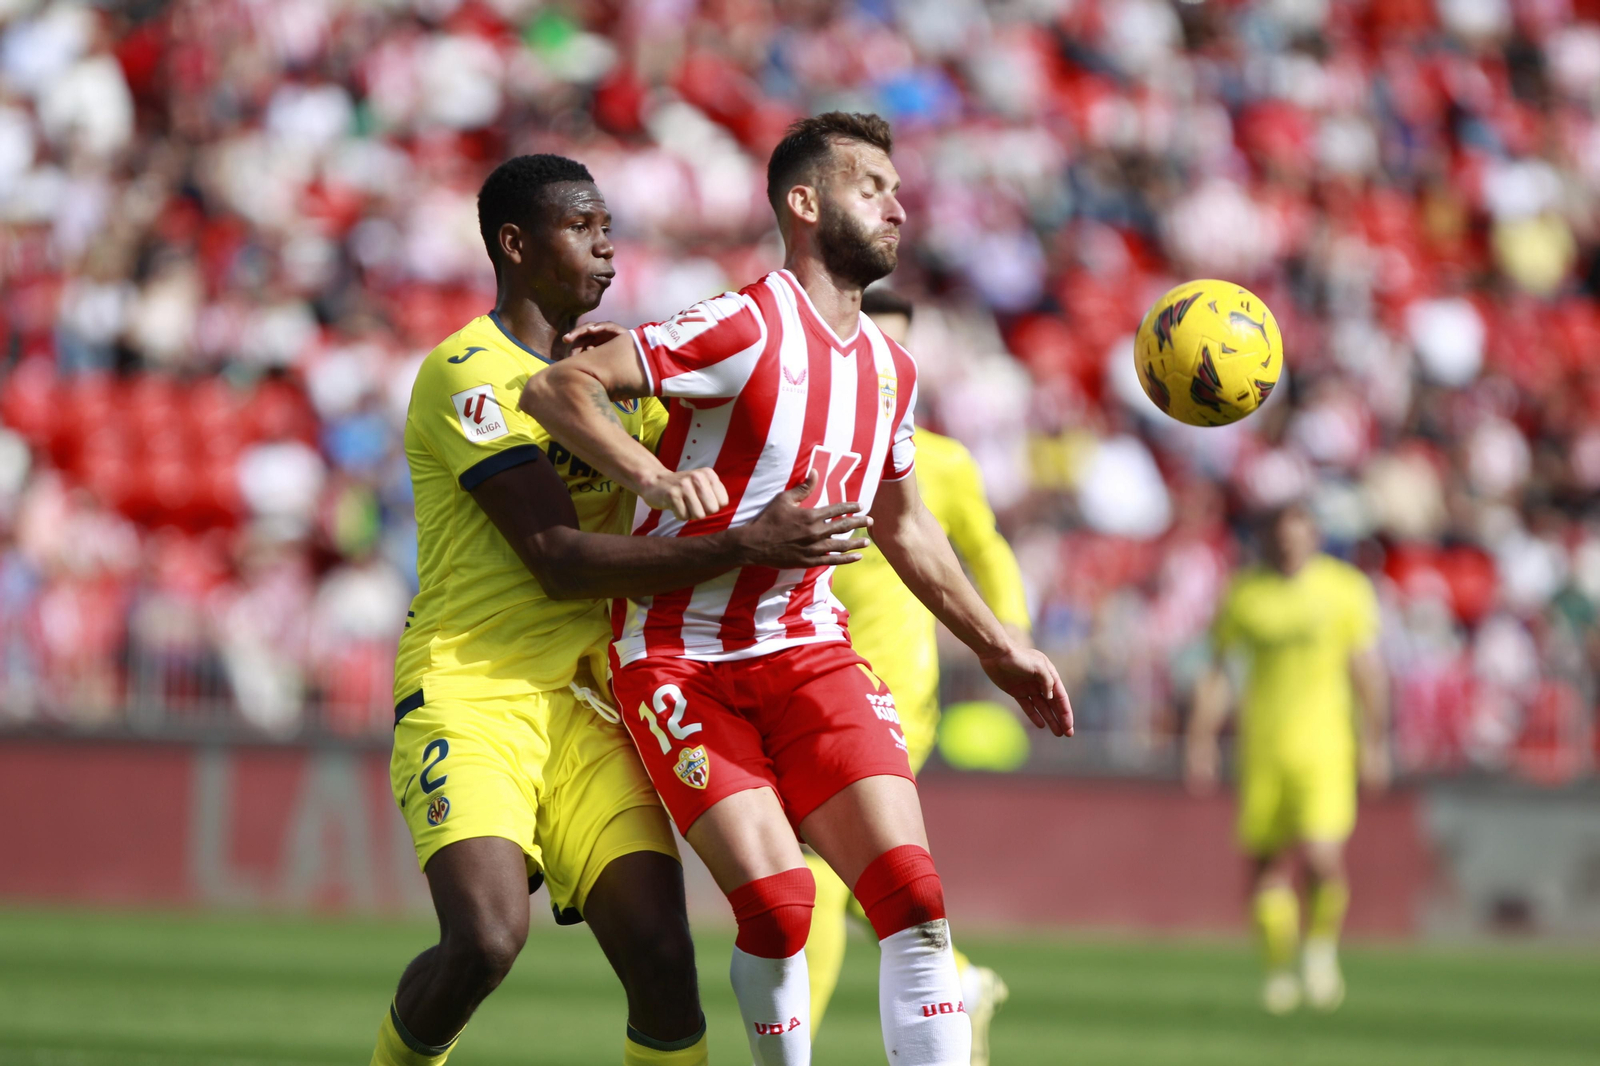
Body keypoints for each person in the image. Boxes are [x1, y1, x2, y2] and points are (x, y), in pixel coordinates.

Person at [522, 112, 1072, 1066]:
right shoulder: (743, 324)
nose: (898, 208)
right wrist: (658, 480)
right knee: (781, 907)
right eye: (872, 188)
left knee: (914, 901)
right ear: (805, 203)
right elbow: (556, 390)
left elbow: (905, 525)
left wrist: (998, 647)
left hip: (809, 649)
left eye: (897, 191)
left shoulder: (892, 369)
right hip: (679, 659)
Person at [371, 153, 870, 1066]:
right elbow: (558, 561)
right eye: (581, 227)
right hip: (472, 691)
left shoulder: (619, 390)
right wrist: (746, 544)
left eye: (608, 228)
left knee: (664, 961)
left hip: (594, 704)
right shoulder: (466, 374)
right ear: (514, 244)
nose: (606, 246)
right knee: (485, 939)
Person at [807, 287, 1028, 1066]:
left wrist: (1010, 637)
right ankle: (957, 980)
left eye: (896, 349)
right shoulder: (802, 441)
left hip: (890, 695)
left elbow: (988, 548)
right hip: (800, 681)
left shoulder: (939, 462)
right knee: (848, 875)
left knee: (814, 876)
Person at [1185, 501, 1390, 1014]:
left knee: (1322, 857)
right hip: (1264, 747)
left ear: (1314, 537)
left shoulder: (1344, 589)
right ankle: (1279, 970)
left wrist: (1375, 741)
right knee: (1267, 866)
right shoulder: (1245, 594)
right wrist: (1201, 741)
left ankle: (1319, 951)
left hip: (1326, 745)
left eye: (1298, 535)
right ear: (1267, 540)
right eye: (1280, 537)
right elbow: (1217, 671)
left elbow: (1366, 669)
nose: (1289, 545)